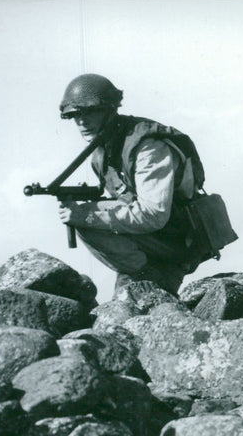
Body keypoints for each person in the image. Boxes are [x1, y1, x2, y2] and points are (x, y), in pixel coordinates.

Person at [56, 73, 204, 295]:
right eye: (75, 115)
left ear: (110, 109)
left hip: (178, 240)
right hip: (155, 237)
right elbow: (126, 201)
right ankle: (139, 275)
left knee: (85, 217)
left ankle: (148, 277)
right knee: (83, 214)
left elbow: (153, 214)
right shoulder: (102, 151)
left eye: (90, 112)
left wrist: (87, 216)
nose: (82, 121)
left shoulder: (147, 146)